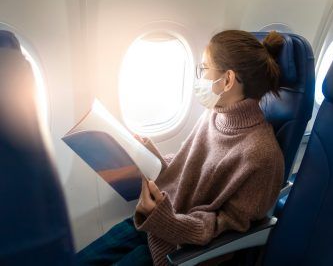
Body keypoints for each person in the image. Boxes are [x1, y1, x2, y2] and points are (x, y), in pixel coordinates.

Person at [76, 30, 286, 266]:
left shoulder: (262, 155)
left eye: (204, 69)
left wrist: (167, 220)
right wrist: (145, 154)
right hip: (155, 224)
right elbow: (189, 170)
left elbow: (226, 229)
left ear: (227, 80)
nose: (200, 77)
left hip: (181, 250)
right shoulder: (213, 116)